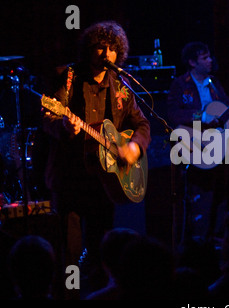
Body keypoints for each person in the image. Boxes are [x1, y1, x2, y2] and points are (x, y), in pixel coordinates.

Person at [41, 20, 151, 293]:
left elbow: (142, 125)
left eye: (112, 49)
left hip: (104, 183)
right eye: (100, 48)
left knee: (103, 250)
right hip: (71, 180)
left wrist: (134, 147)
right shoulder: (67, 77)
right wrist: (64, 125)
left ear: (119, 53)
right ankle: (68, 295)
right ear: (89, 49)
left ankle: (102, 293)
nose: (106, 54)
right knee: (70, 251)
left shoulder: (121, 85)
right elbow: (48, 119)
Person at [166, 41, 229, 241]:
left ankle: (217, 236)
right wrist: (201, 116)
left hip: (217, 144)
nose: (210, 60)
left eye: (209, 56)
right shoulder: (181, 84)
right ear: (192, 62)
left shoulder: (214, 83)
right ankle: (198, 237)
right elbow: (173, 114)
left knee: (221, 190)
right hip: (194, 144)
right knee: (200, 193)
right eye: (204, 58)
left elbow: (224, 108)